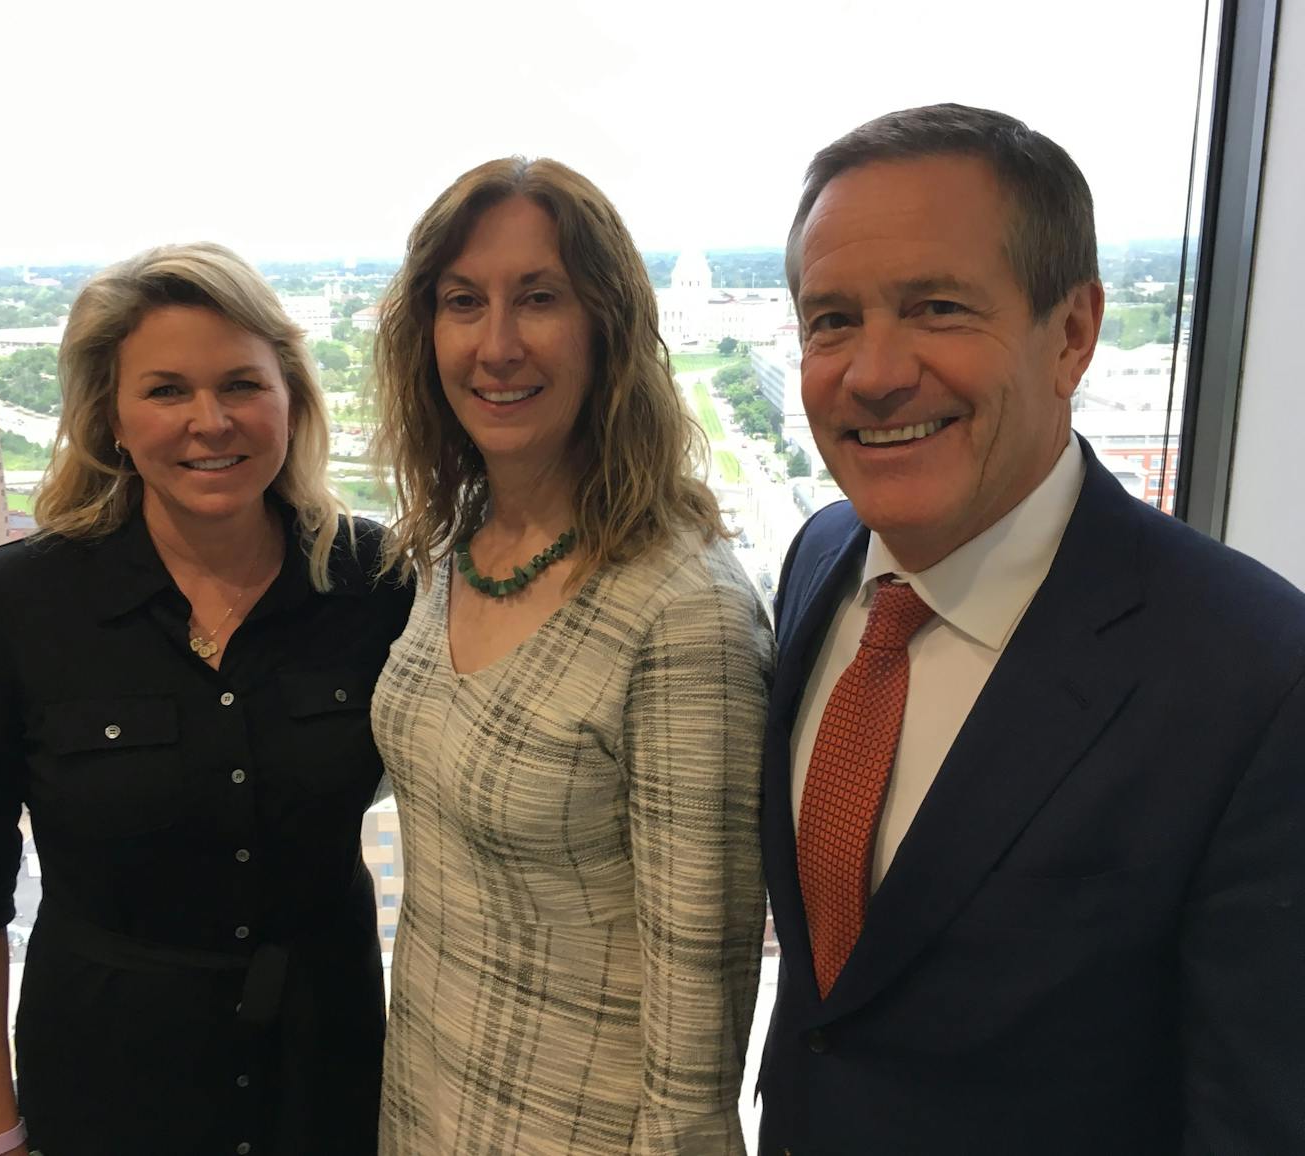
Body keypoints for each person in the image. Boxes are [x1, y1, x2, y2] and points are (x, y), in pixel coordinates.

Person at [759, 103, 1305, 1154]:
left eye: (934, 307)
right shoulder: (819, 559)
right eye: (831, 319)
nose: (872, 371)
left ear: (1071, 332)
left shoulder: (1256, 680)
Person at [0, 242, 411, 1155]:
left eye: (242, 385)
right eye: (166, 390)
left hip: (330, 1082)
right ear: (112, 420)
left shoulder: (377, 586)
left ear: (291, 399)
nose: (210, 421)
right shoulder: (11, 608)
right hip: (107, 1094)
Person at [369, 157, 772, 1154]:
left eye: (538, 298)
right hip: (422, 1094)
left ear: (607, 327)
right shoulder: (450, 540)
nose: (495, 344)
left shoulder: (683, 614)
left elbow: (696, 1024)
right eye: (464, 301)